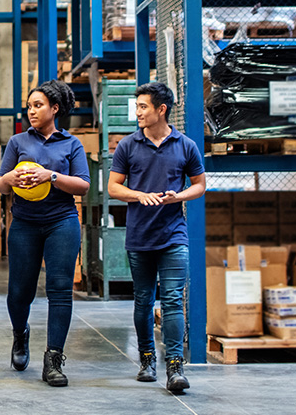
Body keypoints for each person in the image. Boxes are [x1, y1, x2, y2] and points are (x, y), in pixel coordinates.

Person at [107, 82, 206, 394]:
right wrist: (139, 196)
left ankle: (175, 366)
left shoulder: (185, 145)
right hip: (139, 235)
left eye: (143, 107)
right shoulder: (128, 146)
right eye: (137, 106)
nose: (137, 112)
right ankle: (147, 358)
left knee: (174, 299)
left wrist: (179, 197)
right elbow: (113, 188)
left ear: (161, 110)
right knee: (143, 300)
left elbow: (200, 184)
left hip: (173, 235)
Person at [0, 80, 90, 387]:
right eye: (30, 105)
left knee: (60, 289)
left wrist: (49, 175)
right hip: (24, 223)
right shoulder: (17, 142)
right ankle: (20, 334)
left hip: (61, 221)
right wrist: (9, 177)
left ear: (55, 109)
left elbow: (83, 185)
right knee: (19, 292)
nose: (31, 110)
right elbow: (0, 184)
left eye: (38, 106)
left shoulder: (71, 144)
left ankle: (53, 359)